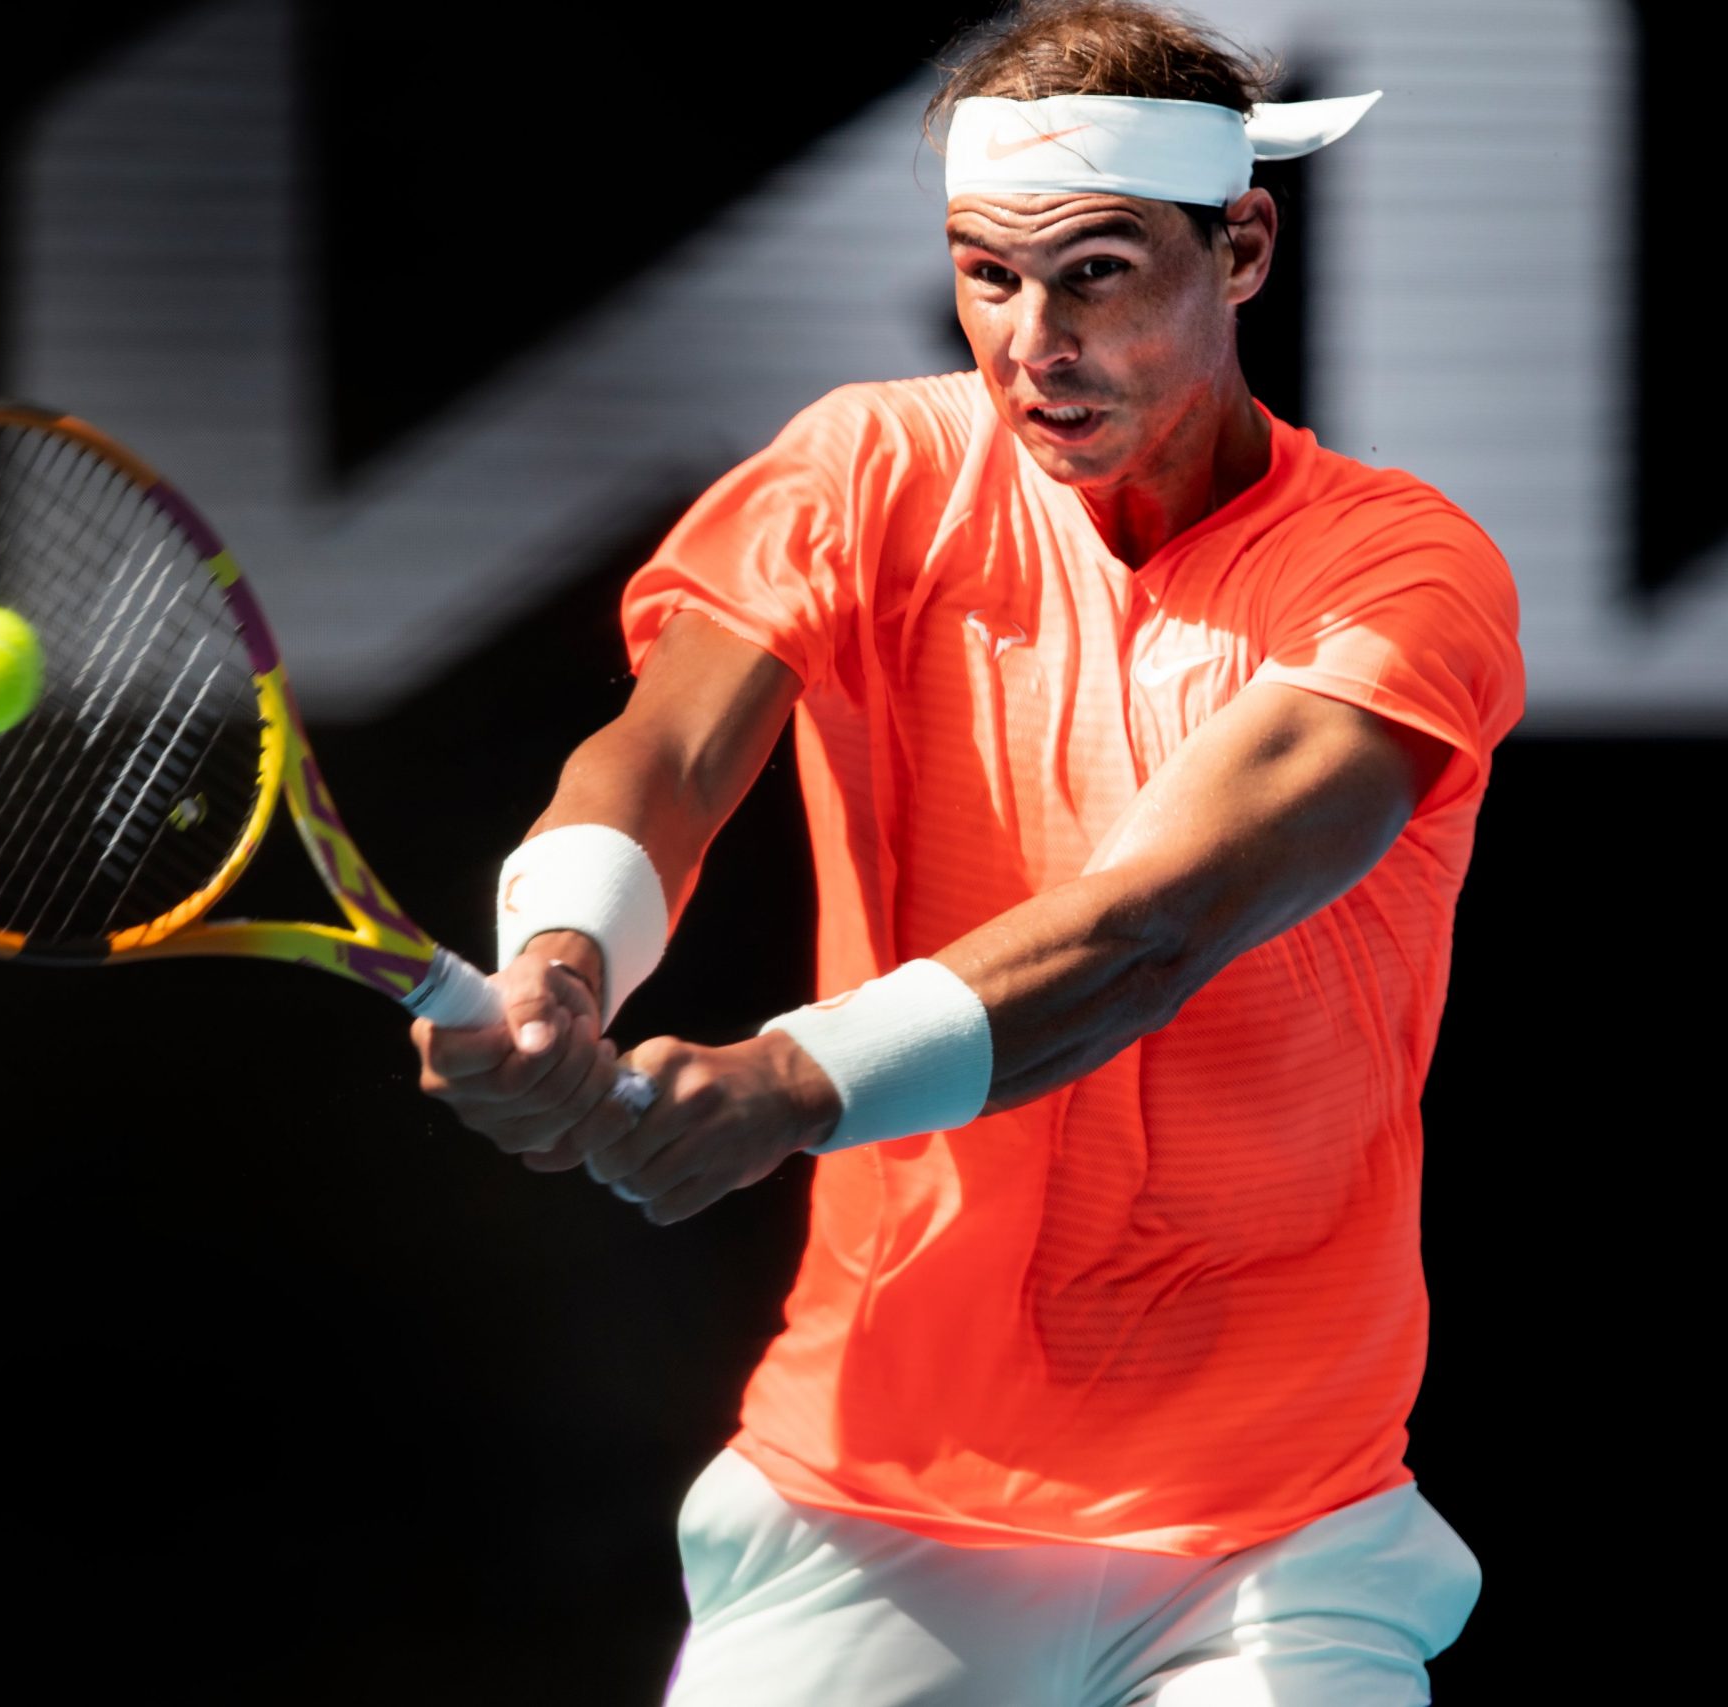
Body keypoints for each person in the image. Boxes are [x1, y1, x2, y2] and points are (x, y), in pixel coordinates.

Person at [415, 2, 1524, 1699]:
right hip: (867, 1497)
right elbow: (674, 745)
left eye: (1094, 272)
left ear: (1241, 248)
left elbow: (1151, 931)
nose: (1032, 343)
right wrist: (566, 952)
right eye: (986, 274)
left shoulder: (1403, 575)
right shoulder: (869, 466)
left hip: (1270, 1543)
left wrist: (795, 1081)